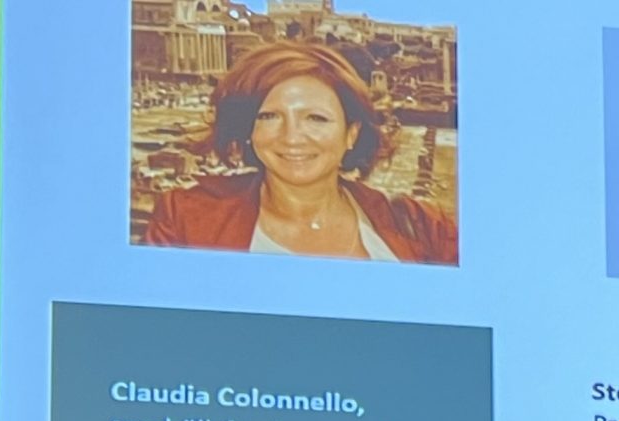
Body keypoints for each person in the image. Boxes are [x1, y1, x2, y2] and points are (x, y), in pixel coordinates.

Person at [141, 43, 457, 264]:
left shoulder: (426, 228)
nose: (292, 137)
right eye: (269, 117)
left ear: (351, 134)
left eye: (316, 118)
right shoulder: (184, 219)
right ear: (248, 132)